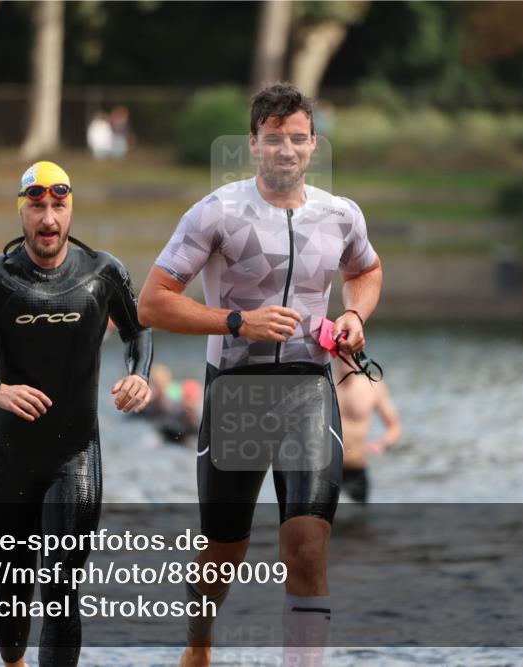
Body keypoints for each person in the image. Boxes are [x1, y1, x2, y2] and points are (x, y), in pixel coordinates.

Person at [138, 83, 383, 667]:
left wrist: (352, 313)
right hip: (237, 395)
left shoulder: (340, 214)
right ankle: (198, 644)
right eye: (274, 139)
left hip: (308, 391)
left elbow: (367, 272)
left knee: (306, 547)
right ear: (253, 144)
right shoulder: (217, 212)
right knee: (224, 553)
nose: (287, 150)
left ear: (313, 144)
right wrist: (236, 321)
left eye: (298, 139)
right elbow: (153, 302)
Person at [0, 160, 153, 667]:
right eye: (37, 207)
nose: (48, 219)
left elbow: (139, 330)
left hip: (73, 457)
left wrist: (139, 373)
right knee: (13, 583)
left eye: (58, 205)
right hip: (7, 455)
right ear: (22, 212)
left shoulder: (103, 272)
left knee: (60, 588)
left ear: (71, 209)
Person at [332, 353, 402, 503]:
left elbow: (394, 426)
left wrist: (382, 443)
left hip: (355, 469)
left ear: (359, 357)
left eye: (350, 356)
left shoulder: (373, 386)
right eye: (342, 356)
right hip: (325, 469)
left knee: (358, 523)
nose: (346, 361)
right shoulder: (324, 384)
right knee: (318, 523)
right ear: (335, 357)